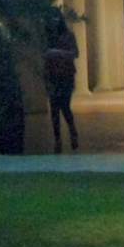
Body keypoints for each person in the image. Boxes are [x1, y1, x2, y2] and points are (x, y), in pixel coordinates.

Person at [43, 10, 79, 153]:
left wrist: (57, 53)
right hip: (52, 76)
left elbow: (75, 53)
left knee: (64, 106)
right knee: (54, 109)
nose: (54, 21)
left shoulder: (69, 36)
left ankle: (73, 132)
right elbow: (44, 56)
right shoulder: (47, 37)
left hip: (66, 75)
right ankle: (57, 139)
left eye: (56, 18)